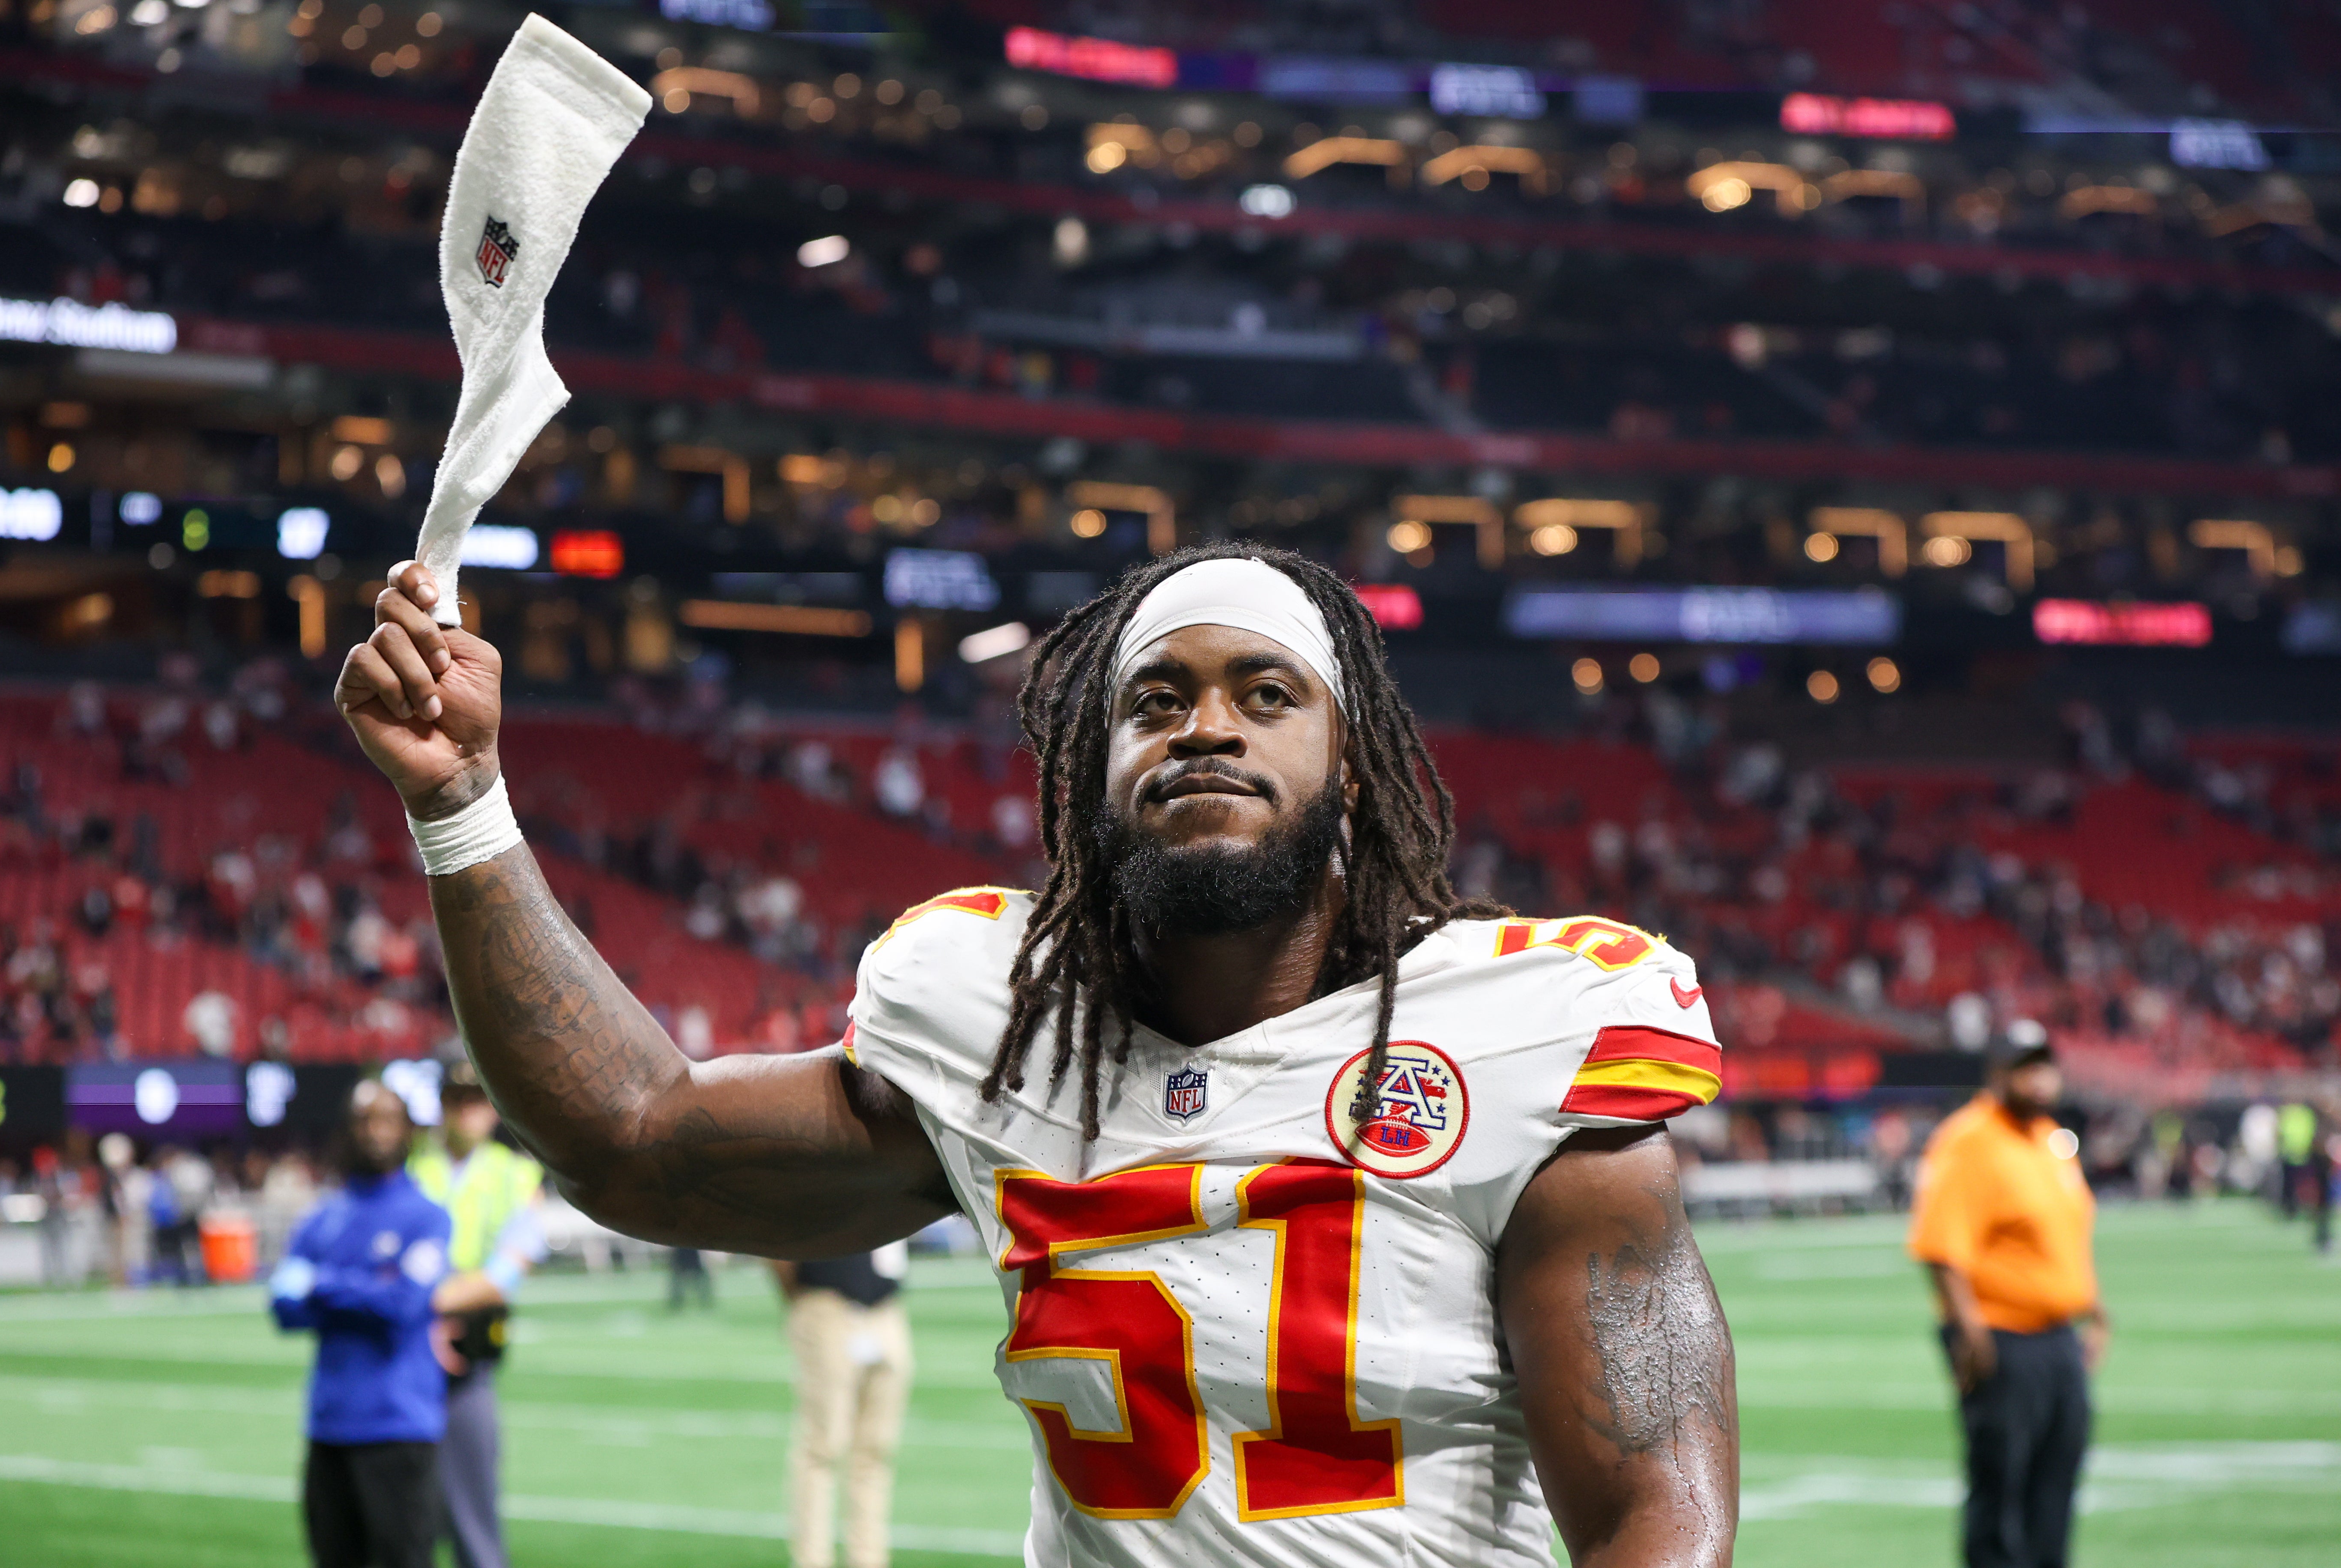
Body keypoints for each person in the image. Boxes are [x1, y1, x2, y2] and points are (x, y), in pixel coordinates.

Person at [337, 545, 1738, 1567]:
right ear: (1093, 768)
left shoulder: (1519, 1033)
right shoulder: (1000, 1029)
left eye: (1265, 692)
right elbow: (633, 1141)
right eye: (1156, 700)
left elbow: (1655, 1519)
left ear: (1353, 765)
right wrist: (464, 806)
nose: (1205, 724)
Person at [1908, 1028, 2108, 1568]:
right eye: (2025, 1069)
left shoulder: (2047, 1139)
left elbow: (2066, 1233)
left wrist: (2096, 1310)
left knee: (2056, 1486)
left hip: (2058, 1337)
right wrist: (1969, 1329)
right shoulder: (1969, 1140)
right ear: (1997, 1075)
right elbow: (1942, 1247)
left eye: (2045, 1067)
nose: (2038, 1080)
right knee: (2001, 1493)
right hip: (2001, 1337)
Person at [270, 1081, 453, 1568]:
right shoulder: (322, 1218)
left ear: (408, 1131)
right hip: (329, 1427)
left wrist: (321, 1284)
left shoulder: (428, 1217)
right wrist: (364, 1289)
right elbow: (285, 1310)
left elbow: (402, 1307)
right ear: (347, 1131)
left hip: (399, 1426)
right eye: (364, 1120)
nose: (375, 1132)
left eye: (388, 1119)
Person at [407, 1062, 547, 1568]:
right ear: (442, 1104)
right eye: (459, 1098)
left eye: (480, 1098)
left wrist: (427, 1303)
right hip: (404, 1354)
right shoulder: (408, 1165)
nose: (471, 1110)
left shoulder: (515, 1173)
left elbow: (510, 1268)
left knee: (473, 1513)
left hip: (468, 1353)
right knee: (404, 1517)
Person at [772, 1243, 912, 1568]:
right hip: (826, 1303)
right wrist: (801, 1299)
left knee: (876, 1450)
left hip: (885, 1308)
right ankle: (812, 1559)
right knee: (823, 1447)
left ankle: (868, 1559)